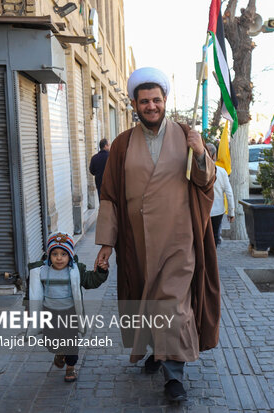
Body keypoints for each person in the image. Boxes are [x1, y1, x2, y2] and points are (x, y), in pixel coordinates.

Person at [94, 67, 220, 401]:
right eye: (145, 101)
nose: (151, 106)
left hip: (180, 240)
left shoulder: (185, 135)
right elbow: (110, 197)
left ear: (165, 101)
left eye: (157, 100)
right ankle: (157, 351)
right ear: (134, 104)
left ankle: (174, 375)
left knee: (173, 305)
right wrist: (106, 244)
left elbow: (205, 183)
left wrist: (202, 153)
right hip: (137, 243)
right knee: (146, 302)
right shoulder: (121, 145)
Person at [27, 232, 109, 383]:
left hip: (69, 313)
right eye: (55, 254)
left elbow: (91, 281)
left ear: (70, 255)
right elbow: (32, 292)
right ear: (49, 255)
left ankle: (70, 367)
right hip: (49, 314)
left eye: (64, 254)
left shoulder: (75, 271)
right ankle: (59, 352)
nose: (59, 258)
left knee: (71, 343)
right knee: (50, 342)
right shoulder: (41, 271)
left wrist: (102, 271)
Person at [206, 143, 235, 247]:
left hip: (202, 210)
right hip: (218, 210)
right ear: (214, 156)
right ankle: (212, 259)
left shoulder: (198, 170)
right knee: (214, 236)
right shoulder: (222, 172)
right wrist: (231, 212)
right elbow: (229, 193)